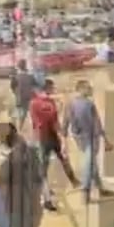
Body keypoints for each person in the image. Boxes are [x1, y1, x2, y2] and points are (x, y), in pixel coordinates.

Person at [29, 79, 80, 212]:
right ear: (48, 89)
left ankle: (47, 199)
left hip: (41, 138)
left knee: (43, 171)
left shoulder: (33, 103)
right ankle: (74, 181)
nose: (53, 90)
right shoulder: (51, 103)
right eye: (52, 88)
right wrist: (63, 138)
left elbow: (34, 122)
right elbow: (55, 123)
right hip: (53, 137)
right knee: (63, 158)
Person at [62, 80, 114, 203]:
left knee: (92, 163)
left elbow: (97, 122)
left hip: (87, 137)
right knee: (88, 164)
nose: (90, 90)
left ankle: (100, 189)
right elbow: (66, 123)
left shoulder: (87, 104)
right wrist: (64, 143)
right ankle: (85, 191)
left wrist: (105, 140)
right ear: (80, 89)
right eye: (88, 88)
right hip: (85, 138)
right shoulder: (76, 104)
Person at [10, 59, 36, 131]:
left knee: (18, 115)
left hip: (19, 98)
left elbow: (12, 87)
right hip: (28, 98)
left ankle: (17, 129)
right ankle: (22, 129)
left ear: (18, 67)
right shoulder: (30, 76)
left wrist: (16, 93)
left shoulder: (15, 77)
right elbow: (34, 84)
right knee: (27, 115)